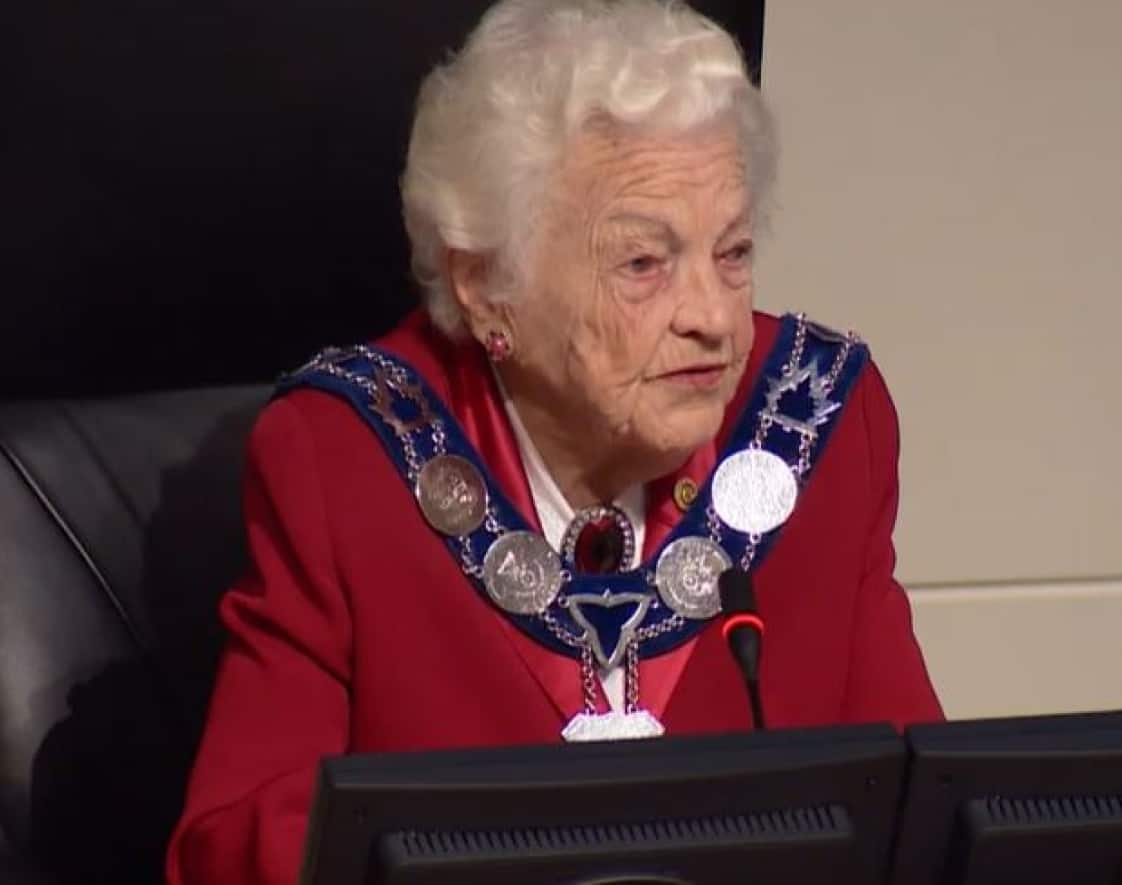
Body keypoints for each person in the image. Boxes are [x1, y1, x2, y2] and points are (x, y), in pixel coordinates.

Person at [166, 0, 942, 881]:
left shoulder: (818, 425)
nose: (714, 319)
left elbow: (923, 814)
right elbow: (230, 851)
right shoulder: (344, 460)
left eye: (731, 253)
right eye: (643, 263)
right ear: (487, 283)